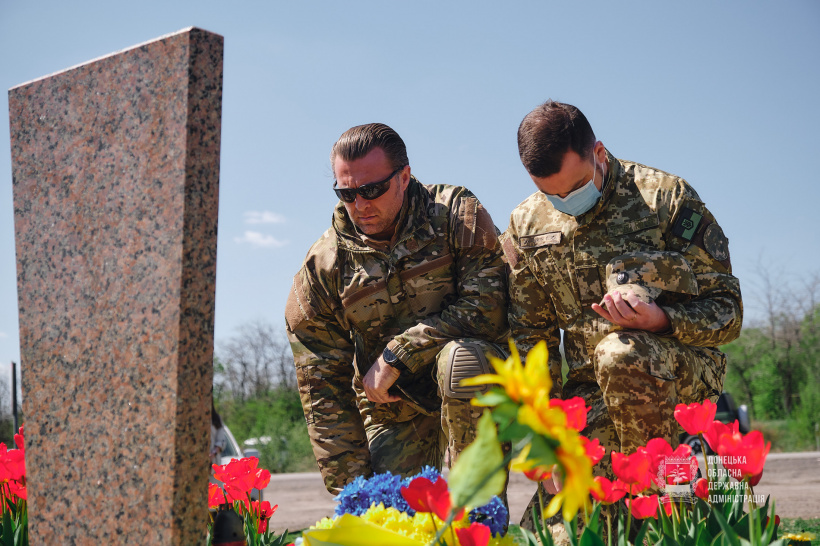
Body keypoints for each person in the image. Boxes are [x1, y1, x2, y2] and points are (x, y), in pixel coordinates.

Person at [501, 100, 742, 529]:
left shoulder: (664, 199)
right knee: (557, 535)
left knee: (621, 352)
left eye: (575, 187)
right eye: (551, 194)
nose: (565, 201)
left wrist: (662, 321)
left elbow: (728, 310)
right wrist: (549, 437)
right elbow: (530, 338)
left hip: (678, 373)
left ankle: (664, 508)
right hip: (589, 395)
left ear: (598, 153)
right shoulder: (527, 225)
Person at [285, 123, 509, 494]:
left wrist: (398, 356)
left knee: (463, 361)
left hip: (473, 388)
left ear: (404, 177)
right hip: (392, 410)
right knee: (386, 513)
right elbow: (322, 387)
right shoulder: (324, 267)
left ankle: (477, 510)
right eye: (347, 193)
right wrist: (351, 491)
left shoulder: (455, 215)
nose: (360, 205)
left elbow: (489, 307)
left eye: (372, 190)